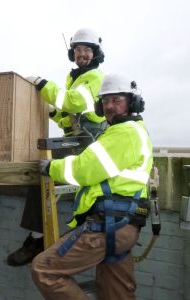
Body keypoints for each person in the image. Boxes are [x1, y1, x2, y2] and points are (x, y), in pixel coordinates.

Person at [31, 73, 153, 300]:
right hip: (122, 226)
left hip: (110, 225)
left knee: (45, 269)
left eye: (117, 100)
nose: (109, 106)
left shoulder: (124, 133)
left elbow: (83, 170)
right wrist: (56, 114)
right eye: (105, 101)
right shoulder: (131, 131)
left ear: (132, 102)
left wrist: (51, 168)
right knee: (116, 294)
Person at [7, 28, 107, 267]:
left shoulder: (94, 77)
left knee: (44, 170)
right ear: (73, 53)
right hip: (76, 140)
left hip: (87, 145)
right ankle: (38, 237)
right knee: (42, 168)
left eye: (87, 50)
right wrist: (52, 111)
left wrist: (42, 84)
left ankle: (36, 239)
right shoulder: (74, 78)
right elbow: (67, 116)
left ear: (95, 54)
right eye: (78, 50)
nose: (81, 54)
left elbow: (74, 101)